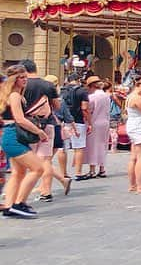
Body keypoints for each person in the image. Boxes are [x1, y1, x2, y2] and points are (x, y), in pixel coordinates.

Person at [1, 65, 49, 219]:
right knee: (38, 168)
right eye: (21, 77)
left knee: (18, 173)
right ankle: (19, 202)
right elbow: (19, 119)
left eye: (25, 77)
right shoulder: (15, 96)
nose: (25, 80)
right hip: (14, 135)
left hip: (13, 135)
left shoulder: (14, 95)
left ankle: (9, 206)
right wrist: (39, 131)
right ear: (14, 79)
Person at [21, 59, 69, 203]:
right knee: (46, 159)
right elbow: (57, 106)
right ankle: (46, 191)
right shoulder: (48, 85)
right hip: (47, 124)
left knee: (27, 160)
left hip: (28, 125)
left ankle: (21, 191)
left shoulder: (21, 84)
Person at [61, 73, 92, 180]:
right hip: (78, 120)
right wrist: (90, 122)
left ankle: (63, 173)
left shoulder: (62, 91)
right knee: (79, 147)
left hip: (63, 122)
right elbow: (84, 108)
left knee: (63, 148)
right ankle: (78, 173)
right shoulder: (82, 91)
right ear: (78, 80)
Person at [84, 75, 110, 178]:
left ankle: (92, 169)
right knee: (103, 145)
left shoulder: (92, 97)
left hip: (95, 122)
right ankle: (102, 168)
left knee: (93, 146)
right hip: (105, 122)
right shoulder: (106, 96)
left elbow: (88, 110)